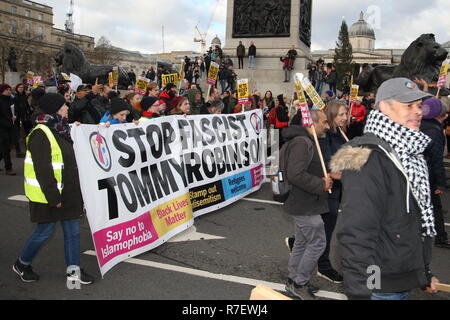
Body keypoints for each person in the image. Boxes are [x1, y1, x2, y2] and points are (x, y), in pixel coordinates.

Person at [329, 78, 440, 300]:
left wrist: (422, 273)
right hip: (379, 284)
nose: (417, 112)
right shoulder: (369, 156)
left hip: (401, 274)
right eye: (408, 106)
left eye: (419, 106)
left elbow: (412, 223)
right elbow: (357, 232)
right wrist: (361, 291)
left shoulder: (408, 152)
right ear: (384, 107)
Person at [14, 93, 94, 285]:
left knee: (73, 233)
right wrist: (53, 196)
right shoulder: (41, 133)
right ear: (56, 110)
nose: (68, 108)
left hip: (69, 193)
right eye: (65, 106)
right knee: (44, 232)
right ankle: (22, 263)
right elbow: (43, 169)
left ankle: (73, 272)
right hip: (49, 195)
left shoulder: (60, 129)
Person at [283, 109, 332, 300]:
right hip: (304, 203)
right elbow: (295, 174)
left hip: (305, 202)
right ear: (312, 123)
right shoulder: (302, 143)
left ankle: (293, 279)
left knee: (302, 242)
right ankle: (299, 283)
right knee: (318, 242)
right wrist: (321, 184)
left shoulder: (306, 141)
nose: (327, 126)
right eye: (324, 122)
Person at [420, 98, 450, 249]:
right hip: (428, 173)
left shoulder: (418, 124)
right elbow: (436, 159)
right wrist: (441, 183)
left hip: (417, 172)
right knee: (434, 206)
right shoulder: (435, 130)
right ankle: (441, 237)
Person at [0, 84, 16, 175]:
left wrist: (14, 116)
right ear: (2, 91)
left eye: (10, 89)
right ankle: (8, 168)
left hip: (10, 126)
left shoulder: (11, 99)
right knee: (5, 148)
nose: (9, 91)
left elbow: (14, 111)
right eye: (7, 90)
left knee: (5, 148)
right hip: (2, 127)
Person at [13, 83, 33, 155]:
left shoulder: (24, 96)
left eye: (22, 87)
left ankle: (28, 149)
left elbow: (27, 106)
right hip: (18, 118)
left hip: (25, 117)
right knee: (18, 135)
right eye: (19, 87)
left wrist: (30, 112)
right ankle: (18, 151)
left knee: (27, 133)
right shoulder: (15, 97)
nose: (21, 88)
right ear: (17, 88)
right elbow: (15, 108)